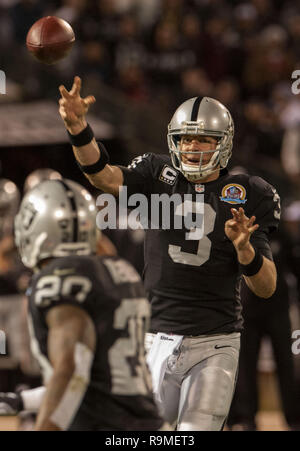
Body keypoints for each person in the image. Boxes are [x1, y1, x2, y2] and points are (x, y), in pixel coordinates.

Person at [57, 76, 280, 431]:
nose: (193, 147)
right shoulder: (156, 174)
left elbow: (266, 286)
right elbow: (102, 175)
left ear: (223, 144)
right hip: (155, 338)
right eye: (185, 138)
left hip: (215, 343)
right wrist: (79, 128)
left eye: (204, 139)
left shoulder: (248, 193)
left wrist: (245, 251)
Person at [0, 178, 164, 431]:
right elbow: (96, 381)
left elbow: (72, 371)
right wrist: (20, 400)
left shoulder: (59, 280)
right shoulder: (121, 270)